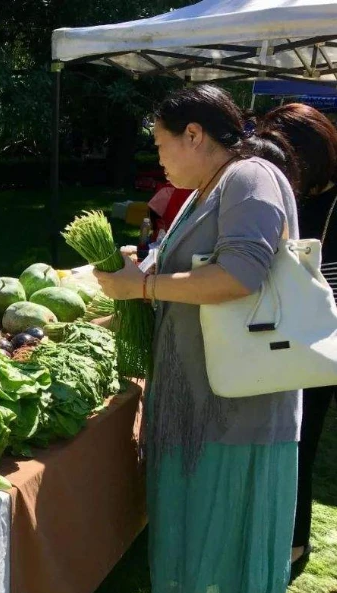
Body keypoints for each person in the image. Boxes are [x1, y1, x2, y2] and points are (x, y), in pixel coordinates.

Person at [95, 85, 301, 593]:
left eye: (161, 146)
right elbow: (196, 271)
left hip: (237, 407)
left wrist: (141, 285)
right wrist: (143, 269)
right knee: (196, 544)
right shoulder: (208, 189)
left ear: (194, 134)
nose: (158, 159)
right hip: (203, 396)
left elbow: (240, 274)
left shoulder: (249, 177)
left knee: (224, 543)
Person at [259, 103, 337, 573]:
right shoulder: (294, 196)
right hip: (283, 335)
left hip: (322, 342)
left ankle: (293, 543)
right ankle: (275, 531)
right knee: (281, 438)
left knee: (302, 442)